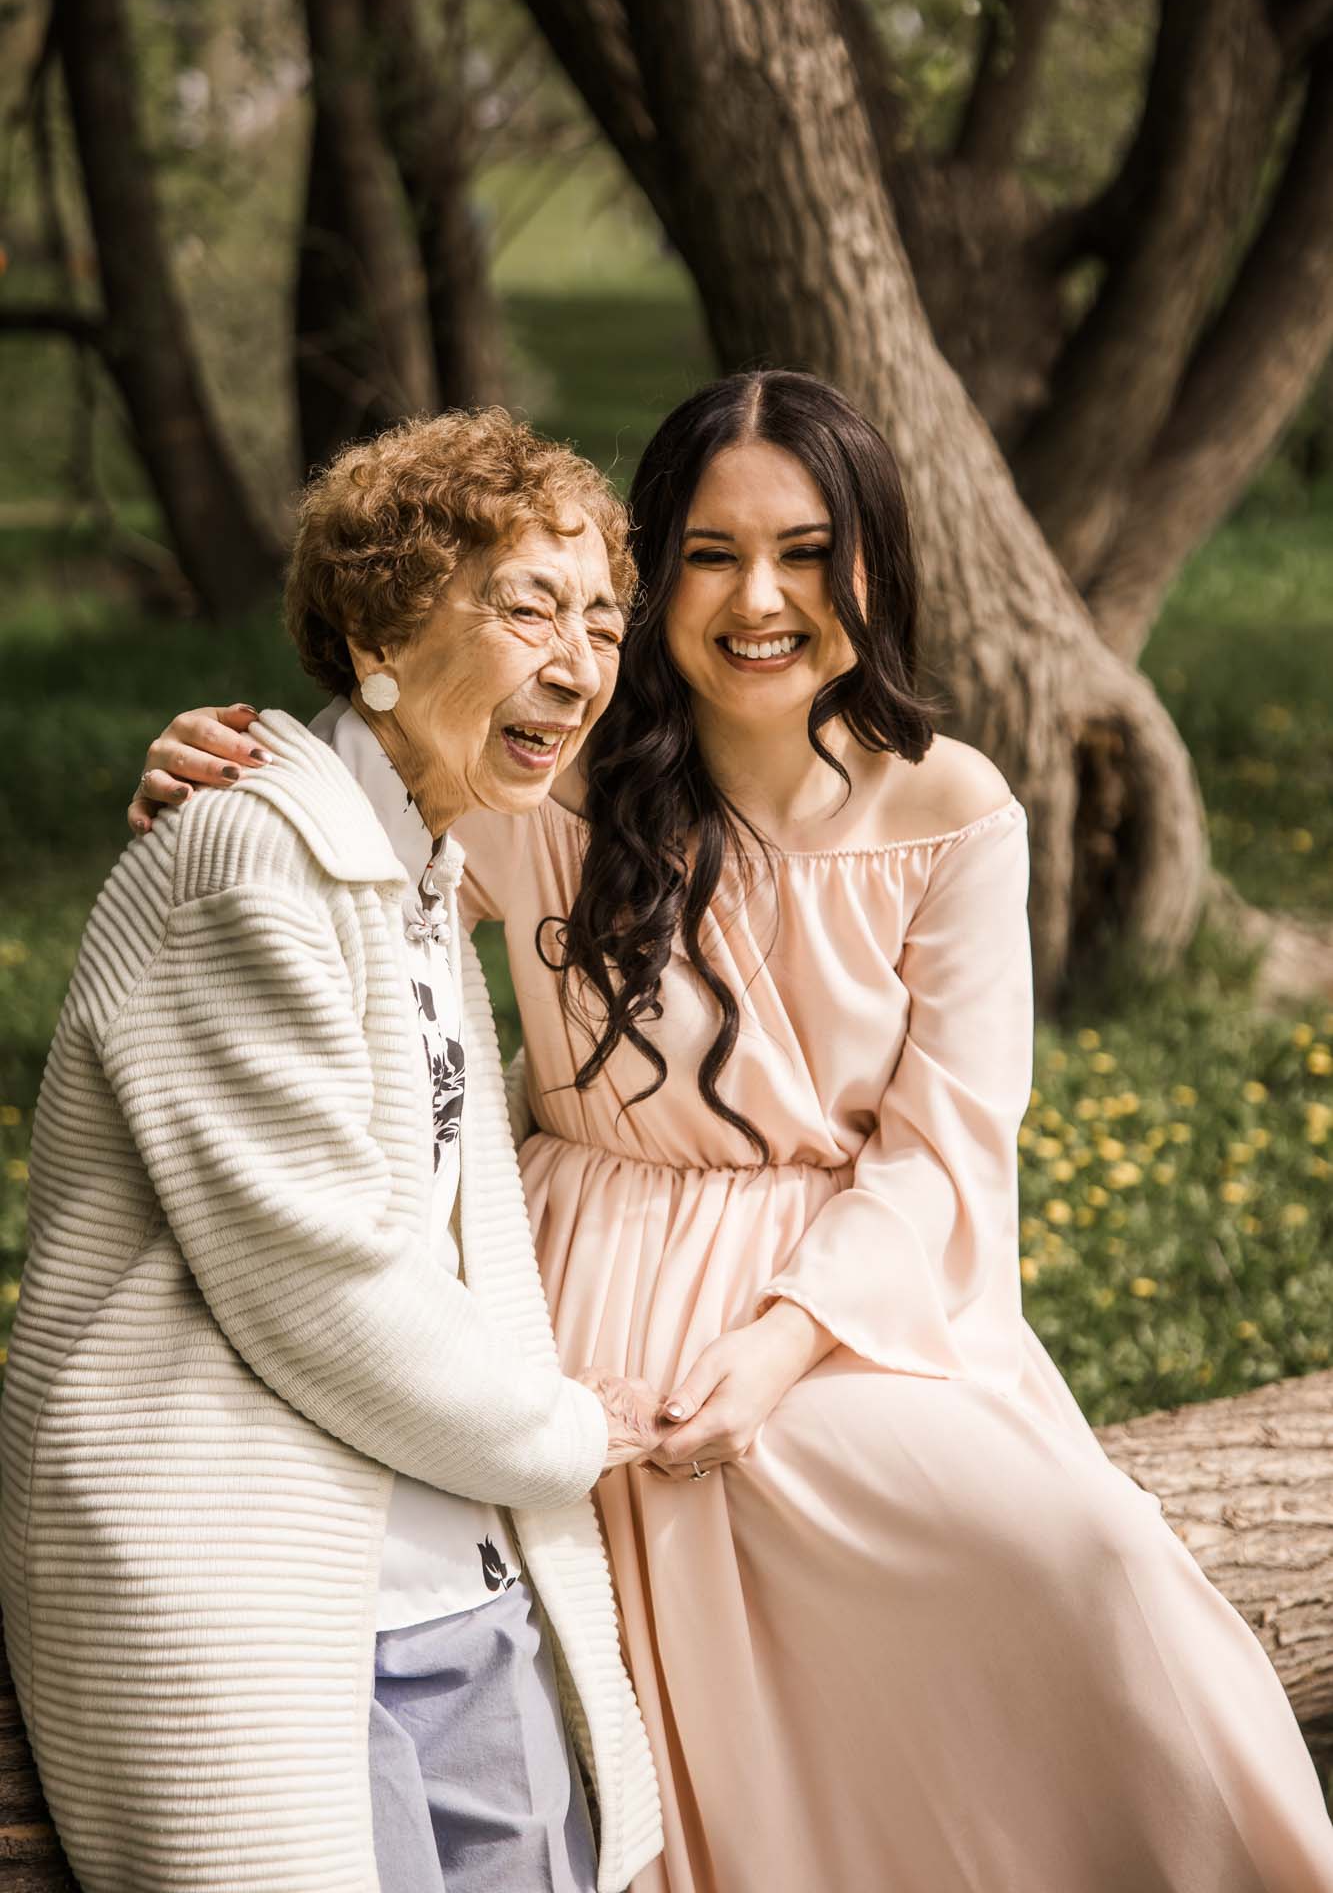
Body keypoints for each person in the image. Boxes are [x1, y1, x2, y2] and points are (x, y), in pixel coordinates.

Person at [133, 370, 1333, 1893]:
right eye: (707, 554)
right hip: (582, 1276)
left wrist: (775, 1345)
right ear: (652, 577)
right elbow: (357, 820)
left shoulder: (948, 805)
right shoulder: (545, 776)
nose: (757, 597)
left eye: (803, 549)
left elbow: (945, 1148)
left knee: (1073, 1550)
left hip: (849, 1297)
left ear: (872, 566)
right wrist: (228, 760)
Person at [3, 408, 665, 1893]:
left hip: (455, 1576)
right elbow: (320, 1278)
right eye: (527, 607)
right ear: (380, 624)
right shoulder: (254, 852)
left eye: (603, 621)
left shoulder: (429, 867)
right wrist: (565, 1430)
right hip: (274, 1600)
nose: (576, 661)